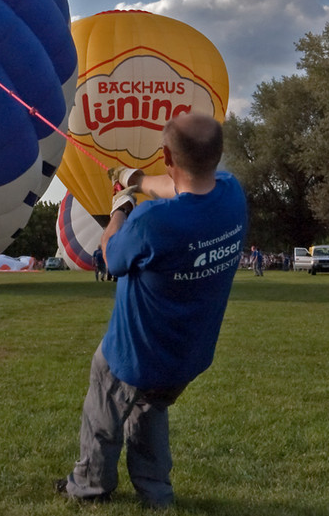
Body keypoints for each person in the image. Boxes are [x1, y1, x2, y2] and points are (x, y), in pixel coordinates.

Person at [57, 113, 248, 509]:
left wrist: (119, 209)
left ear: (166, 156)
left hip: (133, 350)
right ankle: (156, 493)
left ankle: (90, 486)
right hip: (187, 352)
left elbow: (112, 257)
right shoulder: (232, 194)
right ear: (219, 153)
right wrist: (137, 180)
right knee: (151, 409)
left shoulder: (151, 221)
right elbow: (185, 187)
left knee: (104, 415)